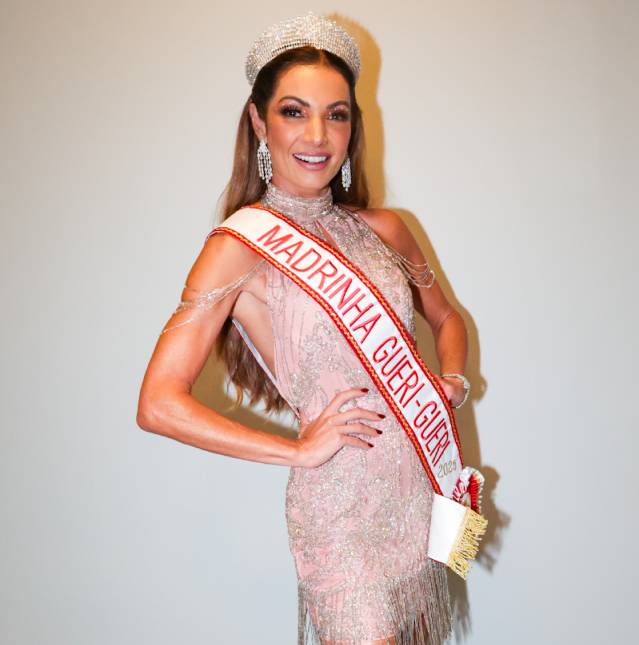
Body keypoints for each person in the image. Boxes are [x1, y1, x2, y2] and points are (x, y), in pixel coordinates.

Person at [137, 12, 474, 645]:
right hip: (339, 514)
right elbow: (157, 404)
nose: (318, 135)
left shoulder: (387, 229)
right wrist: (296, 451)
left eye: (336, 115)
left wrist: (451, 380)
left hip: (420, 488)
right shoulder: (239, 248)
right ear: (259, 123)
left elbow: (448, 318)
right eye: (294, 112)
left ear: (353, 126)